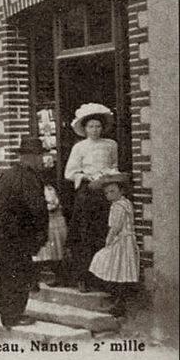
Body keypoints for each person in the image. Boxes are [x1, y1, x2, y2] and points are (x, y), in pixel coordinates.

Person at [0, 136, 48, 329]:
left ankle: (9, 316)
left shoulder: (8, 174)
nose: (41, 160)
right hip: (15, 236)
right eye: (39, 157)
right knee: (18, 276)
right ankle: (13, 317)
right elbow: (36, 208)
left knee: (8, 275)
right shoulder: (29, 177)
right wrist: (39, 234)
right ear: (31, 158)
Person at [64, 103, 118, 292]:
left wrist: (109, 176)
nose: (95, 130)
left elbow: (114, 165)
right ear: (85, 129)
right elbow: (69, 173)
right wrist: (85, 176)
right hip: (87, 194)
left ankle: (103, 278)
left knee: (104, 233)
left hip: (105, 193)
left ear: (102, 128)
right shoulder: (80, 147)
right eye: (91, 126)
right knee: (85, 235)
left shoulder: (111, 145)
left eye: (98, 126)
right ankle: (83, 278)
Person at [88, 173, 139, 317]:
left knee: (109, 263)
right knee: (120, 270)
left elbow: (115, 227)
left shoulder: (118, 206)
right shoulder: (126, 203)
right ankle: (118, 301)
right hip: (127, 240)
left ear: (121, 191)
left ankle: (119, 303)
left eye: (113, 191)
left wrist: (108, 241)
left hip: (121, 242)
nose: (109, 195)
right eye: (106, 193)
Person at [32, 182, 69, 291]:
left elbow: (52, 205)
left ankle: (61, 277)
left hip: (53, 222)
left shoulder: (49, 189)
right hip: (44, 223)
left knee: (54, 251)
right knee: (41, 253)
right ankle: (34, 280)